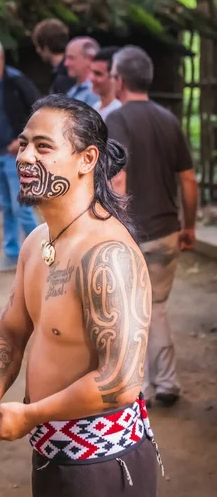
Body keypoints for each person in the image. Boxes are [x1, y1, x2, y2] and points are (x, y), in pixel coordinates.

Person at [0, 95, 160, 497]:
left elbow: (119, 381)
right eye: (24, 143)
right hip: (52, 456)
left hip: (101, 466)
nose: (24, 156)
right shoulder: (36, 242)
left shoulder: (108, 255)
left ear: (87, 159)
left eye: (43, 146)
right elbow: (10, 333)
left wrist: (29, 415)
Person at [107, 46, 198, 407]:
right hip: (165, 233)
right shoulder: (168, 119)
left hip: (133, 235)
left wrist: (117, 229)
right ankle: (168, 383)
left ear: (120, 80)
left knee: (128, 311)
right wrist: (187, 225)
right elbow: (188, 180)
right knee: (156, 306)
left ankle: (136, 388)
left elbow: (118, 181)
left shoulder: (117, 120)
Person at [0, 37, 39, 273]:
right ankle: (12, 255)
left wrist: (23, 139)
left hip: (18, 156)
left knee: (22, 205)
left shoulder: (16, 81)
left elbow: (39, 109)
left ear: (0, 58)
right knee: (5, 207)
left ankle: (41, 256)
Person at [32, 18, 74, 93]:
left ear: (45, 47)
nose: (37, 51)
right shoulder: (73, 69)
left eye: (38, 46)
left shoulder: (62, 78)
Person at [65, 37, 100, 106]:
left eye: (71, 58)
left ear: (90, 59)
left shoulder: (95, 91)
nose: (66, 63)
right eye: (66, 58)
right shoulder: (73, 90)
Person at [90, 46, 122, 121]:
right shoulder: (96, 107)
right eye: (92, 72)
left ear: (115, 77)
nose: (91, 78)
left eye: (98, 74)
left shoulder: (118, 111)